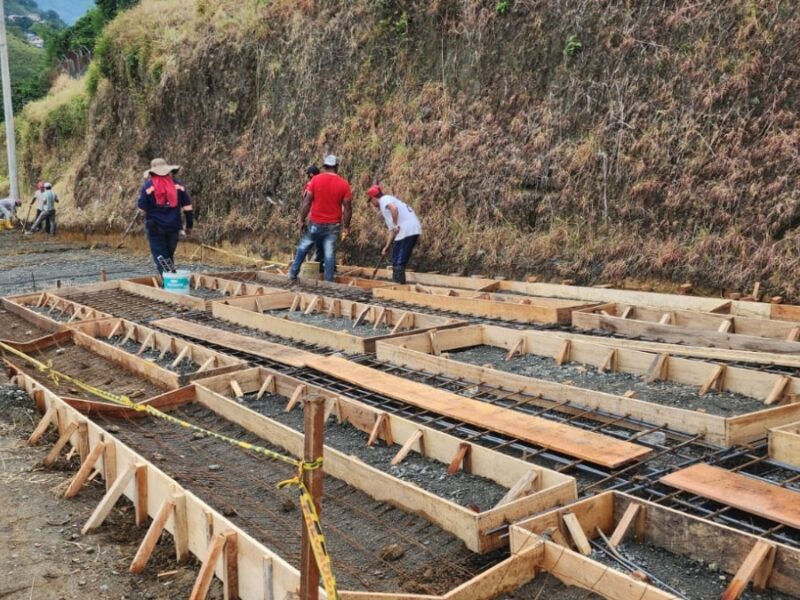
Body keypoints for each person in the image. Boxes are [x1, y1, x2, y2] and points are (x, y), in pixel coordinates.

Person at [288, 155, 352, 282]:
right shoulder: (344, 184)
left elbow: (307, 202)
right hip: (333, 226)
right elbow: (348, 208)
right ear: (336, 167)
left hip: (316, 224)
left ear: (324, 166)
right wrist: (346, 227)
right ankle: (328, 282)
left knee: (303, 247)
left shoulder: (315, 180)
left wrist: (301, 220)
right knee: (329, 254)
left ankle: (292, 274)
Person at [138, 158, 194, 275]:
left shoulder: (148, 187)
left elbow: (142, 207)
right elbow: (187, 207)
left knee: (160, 255)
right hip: (174, 226)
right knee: (169, 255)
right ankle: (172, 279)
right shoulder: (178, 185)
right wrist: (189, 226)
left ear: (152, 172)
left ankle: (168, 283)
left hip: (155, 226)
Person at [366, 185, 421, 284]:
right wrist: (386, 247)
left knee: (399, 262)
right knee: (396, 259)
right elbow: (392, 231)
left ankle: (399, 287)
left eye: (371, 200)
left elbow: (394, 208)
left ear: (373, 198)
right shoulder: (386, 202)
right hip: (407, 230)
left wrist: (395, 224)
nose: (372, 203)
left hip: (407, 230)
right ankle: (397, 284)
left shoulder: (384, 200)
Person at [304, 165, 326, 275]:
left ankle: (318, 264)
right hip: (327, 218)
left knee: (315, 242)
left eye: (308, 174)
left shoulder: (310, 184)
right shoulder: (325, 183)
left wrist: (302, 218)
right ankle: (323, 264)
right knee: (323, 243)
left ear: (311, 175)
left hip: (315, 218)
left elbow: (306, 202)